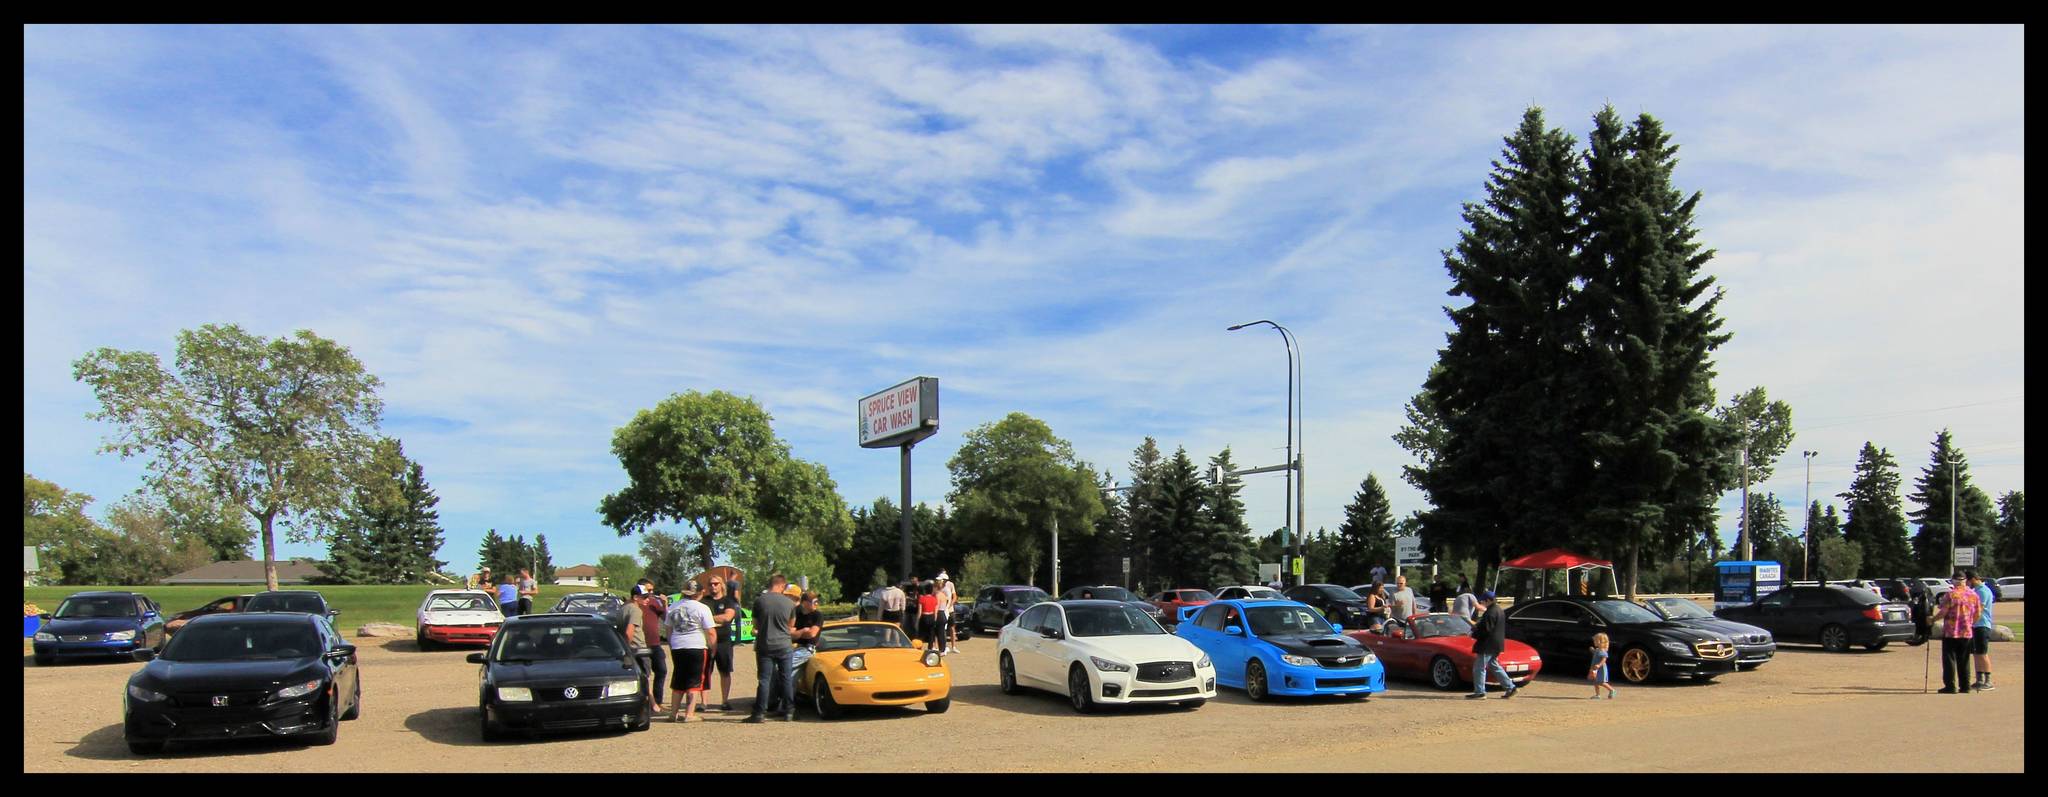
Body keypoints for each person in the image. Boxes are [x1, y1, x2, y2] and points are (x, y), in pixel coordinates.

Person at [746, 573, 798, 723]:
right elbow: (791, 625)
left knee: (764, 680)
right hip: (784, 645)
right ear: (782, 585)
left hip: (765, 645)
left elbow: (755, 625)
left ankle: (759, 713)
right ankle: (789, 711)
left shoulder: (760, 601)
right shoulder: (789, 603)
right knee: (786, 678)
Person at [664, 580, 717, 722]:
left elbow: (668, 629)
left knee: (678, 679)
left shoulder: (673, 607)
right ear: (698, 593)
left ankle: (673, 713)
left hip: (677, 646)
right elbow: (711, 632)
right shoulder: (702, 608)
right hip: (696, 645)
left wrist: (672, 644)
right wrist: (713, 648)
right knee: (694, 681)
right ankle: (689, 713)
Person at [1930, 573, 1982, 695]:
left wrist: (1932, 620)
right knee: (1964, 660)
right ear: (1965, 581)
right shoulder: (1973, 595)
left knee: (1949, 659)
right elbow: (1978, 613)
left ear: (1953, 581)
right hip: (1966, 632)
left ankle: (1950, 686)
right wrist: (1970, 623)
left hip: (1951, 632)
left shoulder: (1951, 594)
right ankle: (1965, 686)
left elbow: (1943, 612)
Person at [623, 583, 668, 715]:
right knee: (643, 678)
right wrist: (627, 649)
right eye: (645, 596)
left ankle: (654, 704)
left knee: (652, 674)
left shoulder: (625, 608)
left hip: (648, 646)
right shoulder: (635, 610)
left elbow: (666, 618)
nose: (648, 598)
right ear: (636, 597)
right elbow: (629, 632)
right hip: (638, 648)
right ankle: (649, 706)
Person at [700, 575, 743, 712]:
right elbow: (698, 618)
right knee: (705, 672)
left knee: (725, 671)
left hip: (724, 641)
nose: (713, 586)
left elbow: (727, 617)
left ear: (721, 585)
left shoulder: (728, 600)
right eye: (710, 584)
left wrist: (708, 619)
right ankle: (703, 703)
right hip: (706, 641)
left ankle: (725, 701)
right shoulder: (704, 601)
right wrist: (716, 619)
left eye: (716, 583)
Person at [1467, 591, 1517, 700]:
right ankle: (1510, 687)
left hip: (1487, 644)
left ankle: (1480, 692)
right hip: (1496, 644)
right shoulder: (1499, 610)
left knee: (1479, 668)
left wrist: (1474, 633)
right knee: (1494, 665)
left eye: (1483, 601)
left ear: (1488, 600)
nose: (1481, 603)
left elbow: (1486, 630)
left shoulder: (1490, 612)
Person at [1968, 570, 1996, 691]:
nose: (1968, 584)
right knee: (1976, 653)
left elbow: (1979, 610)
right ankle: (1979, 679)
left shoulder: (1983, 591)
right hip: (1975, 626)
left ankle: (1988, 680)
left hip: (1982, 625)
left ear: (1973, 579)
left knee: (1982, 653)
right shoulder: (1976, 590)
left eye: (1968, 582)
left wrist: (1970, 622)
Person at [790, 591, 823, 675]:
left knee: (784, 665)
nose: (817, 604)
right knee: (790, 677)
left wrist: (795, 633)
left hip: (807, 649)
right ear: (804, 603)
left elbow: (811, 634)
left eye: (817, 601)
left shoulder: (817, 615)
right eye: (814, 602)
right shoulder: (796, 613)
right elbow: (788, 632)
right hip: (792, 647)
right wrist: (803, 631)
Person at [1588, 632, 1616, 699]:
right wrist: (1593, 650)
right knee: (1595, 682)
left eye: (1595, 640)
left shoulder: (1602, 651)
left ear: (1601, 642)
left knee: (1601, 682)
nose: (1594, 642)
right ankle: (1598, 695)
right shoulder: (1598, 650)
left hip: (1601, 669)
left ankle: (1612, 690)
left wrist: (1599, 665)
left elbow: (1604, 659)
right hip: (1595, 668)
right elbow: (1596, 653)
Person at [935, 571, 958, 655]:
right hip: (942, 610)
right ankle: (938, 647)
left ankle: (953, 646)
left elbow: (953, 597)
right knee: (940, 629)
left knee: (951, 627)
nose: (944, 581)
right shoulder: (937, 588)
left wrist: (949, 606)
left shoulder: (950, 585)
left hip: (948, 610)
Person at [917, 581, 939, 648]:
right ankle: (930, 648)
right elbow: (935, 612)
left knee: (921, 634)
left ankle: (919, 647)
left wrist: (917, 620)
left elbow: (919, 611)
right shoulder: (934, 599)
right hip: (931, 616)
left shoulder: (922, 598)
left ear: (925, 590)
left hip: (924, 616)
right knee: (931, 635)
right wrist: (935, 620)